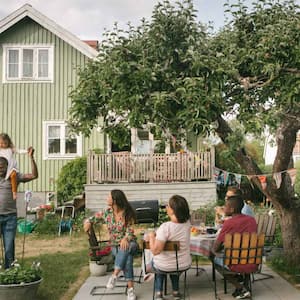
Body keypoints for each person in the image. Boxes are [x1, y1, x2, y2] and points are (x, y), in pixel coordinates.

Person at [84, 189, 138, 300]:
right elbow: (92, 218)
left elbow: (131, 231)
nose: (106, 198)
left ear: (115, 200)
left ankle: (114, 276)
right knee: (127, 258)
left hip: (130, 243)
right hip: (115, 246)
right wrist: (88, 222)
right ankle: (130, 290)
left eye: (108, 196)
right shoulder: (107, 213)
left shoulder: (128, 213)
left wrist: (125, 239)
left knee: (126, 247)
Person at [144, 195, 191, 300]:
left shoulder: (166, 227)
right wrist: (157, 234)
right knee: (173, 263)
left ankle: (159, 293)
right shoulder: (187, 224)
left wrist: (152, 236)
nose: (166, 207)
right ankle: (176, 292)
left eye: (168, 206)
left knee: (158, 265)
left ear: (173, 210)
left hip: (164, 266)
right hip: (183, 264)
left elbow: (155, 251)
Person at [211, 194, 257, 299]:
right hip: (253, 261)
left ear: (231, 209)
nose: (223, 208)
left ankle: (240, 287)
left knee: (213, 257)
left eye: (225, 206)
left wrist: (216, 251)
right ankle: (244, 282)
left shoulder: (229, 223)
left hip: (236, 263)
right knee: (244, 254)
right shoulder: (251, 220)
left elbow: (215, 247)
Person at [0, 147, 38, 268]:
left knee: (9, 248)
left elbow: (34, 175)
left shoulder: (14, 176)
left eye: (3, 167)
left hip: (10, 218)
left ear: (7, 167)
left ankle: (9, 275)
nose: (0, 169)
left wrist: (31, 157)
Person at [0, 133, 18, 200]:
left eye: (4, 143)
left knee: (13, 175)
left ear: (8, 142)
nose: (2, 145)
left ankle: (14, 192)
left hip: (10, 167)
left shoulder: (10, 149)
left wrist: (26, 151)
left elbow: (18, 151)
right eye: (1, 143)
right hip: (2, 169)